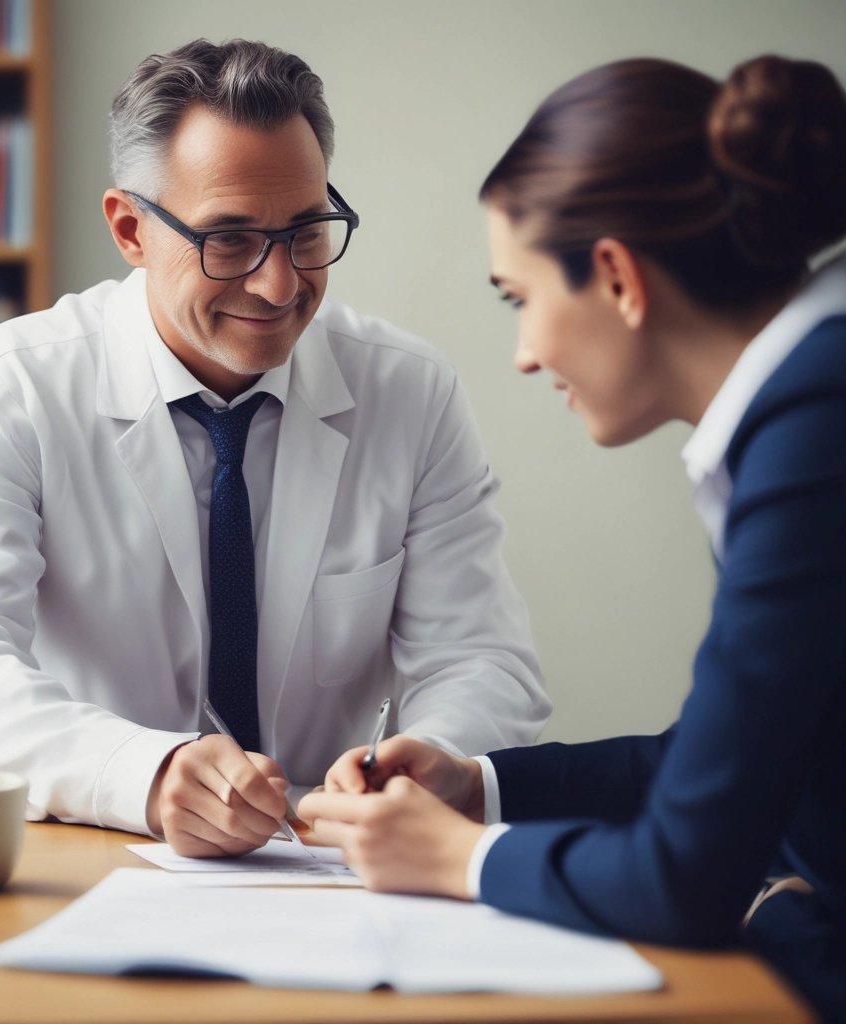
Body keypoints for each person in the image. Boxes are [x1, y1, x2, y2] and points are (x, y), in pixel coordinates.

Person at [0, 39, 549, 856]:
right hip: (91, 838)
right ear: (130, 228)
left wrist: (428, 761)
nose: (278, 285)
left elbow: (482, 658)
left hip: (327, 857)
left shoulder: (410, 392)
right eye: (228, 240)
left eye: (306, 231)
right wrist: (148, 775)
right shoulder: (10, 385)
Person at [298, 54, 846, 1020]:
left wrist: (462, 859)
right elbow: (731, 758)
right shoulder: (808, 393)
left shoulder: (816, 429)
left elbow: (686, 875)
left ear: (617, 278)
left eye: (519, 299)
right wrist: (481, 786)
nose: (523, 354)